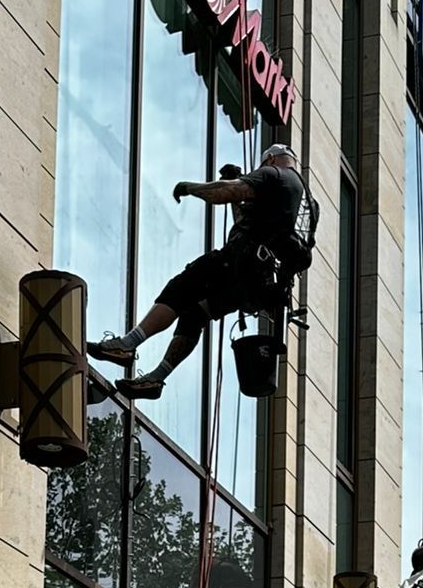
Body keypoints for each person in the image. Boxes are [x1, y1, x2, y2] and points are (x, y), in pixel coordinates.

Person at [89, 145, 318, 399]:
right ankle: (156, 379)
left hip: (240, 265)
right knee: (195, 313)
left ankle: (126, 345)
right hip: (258, 289)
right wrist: (237, 195)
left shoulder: (274, 174)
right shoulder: (308, 204)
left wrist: (191, 188)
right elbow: (248, 223)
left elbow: (227, 191)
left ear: (271, 159)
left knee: (180, 288)